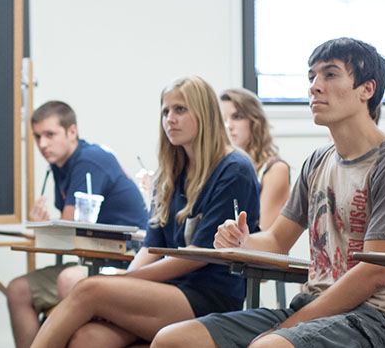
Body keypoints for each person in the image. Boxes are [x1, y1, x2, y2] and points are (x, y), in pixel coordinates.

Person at [151, 37, 385, 348]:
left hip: (377, 322)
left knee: (268, 346)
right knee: (173, 340)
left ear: (367, 89)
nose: (314, 86)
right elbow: (276, 240)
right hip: (315, 307)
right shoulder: (318, 160)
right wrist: (241, 241)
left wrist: (287, 327)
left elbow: (374, 273)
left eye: (329, 74)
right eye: (311, 76)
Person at [30, 77, 260, 348]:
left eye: (180, 110)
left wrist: (125, 280)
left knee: (89, 288)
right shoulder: (171, 172)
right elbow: (151, 248)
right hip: (167, 290)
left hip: (210, 296)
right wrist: (125, 281)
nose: (169, 119)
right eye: (165, 111)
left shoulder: (234, 168)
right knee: (87, 338)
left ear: (205, 113)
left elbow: (199, 255)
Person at [7, 100, 150, 348]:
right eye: (37, 136)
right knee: (18, 290)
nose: (42, 144)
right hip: (92, 258)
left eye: (50, 135)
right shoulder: (59, 165)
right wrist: (48, 226)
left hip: (124, 261)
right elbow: (70, 229)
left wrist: (47, 227)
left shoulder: (89, 160)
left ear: (72, 131)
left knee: (69, 280)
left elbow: (70, 226)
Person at [220, 88, 291, 230]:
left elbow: (266, 236)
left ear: (254, 121)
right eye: (223, 120)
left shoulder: (275, 169)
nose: (229, 126)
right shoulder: (220, 167)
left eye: (237, 117)